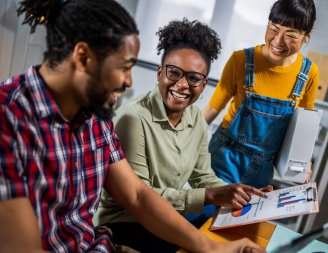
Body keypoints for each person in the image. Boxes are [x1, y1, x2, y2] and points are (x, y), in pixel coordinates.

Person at [0, 1, 266, 253]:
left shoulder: (96, 120)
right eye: (124, 68)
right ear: (83, 57)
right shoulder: (8, 119)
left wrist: (212, 248)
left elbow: (138, 196)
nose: (129, 82)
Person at [97, 18, 272, 253]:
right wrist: (210, 196)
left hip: (167, 220)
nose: (182, 84)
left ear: (203, 84)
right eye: (174, 73)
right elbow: (140, 197)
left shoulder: (196, 119)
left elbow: (203, 176)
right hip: (126, 224)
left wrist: (239, 193)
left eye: (194, 78)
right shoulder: (133, 119)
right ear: (160, 73)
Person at [202, 0, 319, 188]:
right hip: (224, 157)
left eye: (290, 35)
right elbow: (212, 107)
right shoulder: (240, 60)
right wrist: (184, 140)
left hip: (262, 169)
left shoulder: (309, 73)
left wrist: (306, 162)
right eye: (274, 28)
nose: (278, 41)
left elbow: (304, 130)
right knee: (205, 215)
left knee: (246, 217)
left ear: (306, 37)